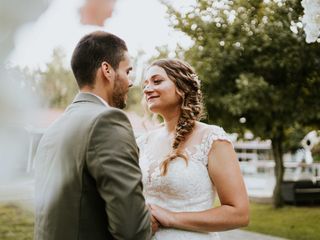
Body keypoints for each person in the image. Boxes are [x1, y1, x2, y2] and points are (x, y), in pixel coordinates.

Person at [34, 31, 153, 240]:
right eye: (128, 71)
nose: (130, 81)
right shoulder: (106, 121)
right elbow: (132, 228)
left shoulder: (53, 129)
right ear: (107, 70)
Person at [137, 58, 249, 239]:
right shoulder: (142, 142)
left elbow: (239, 213)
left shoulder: (212, 138)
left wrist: (171, 218)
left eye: (157, 81)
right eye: (146, 84)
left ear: (181, 88)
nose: (147, 89)